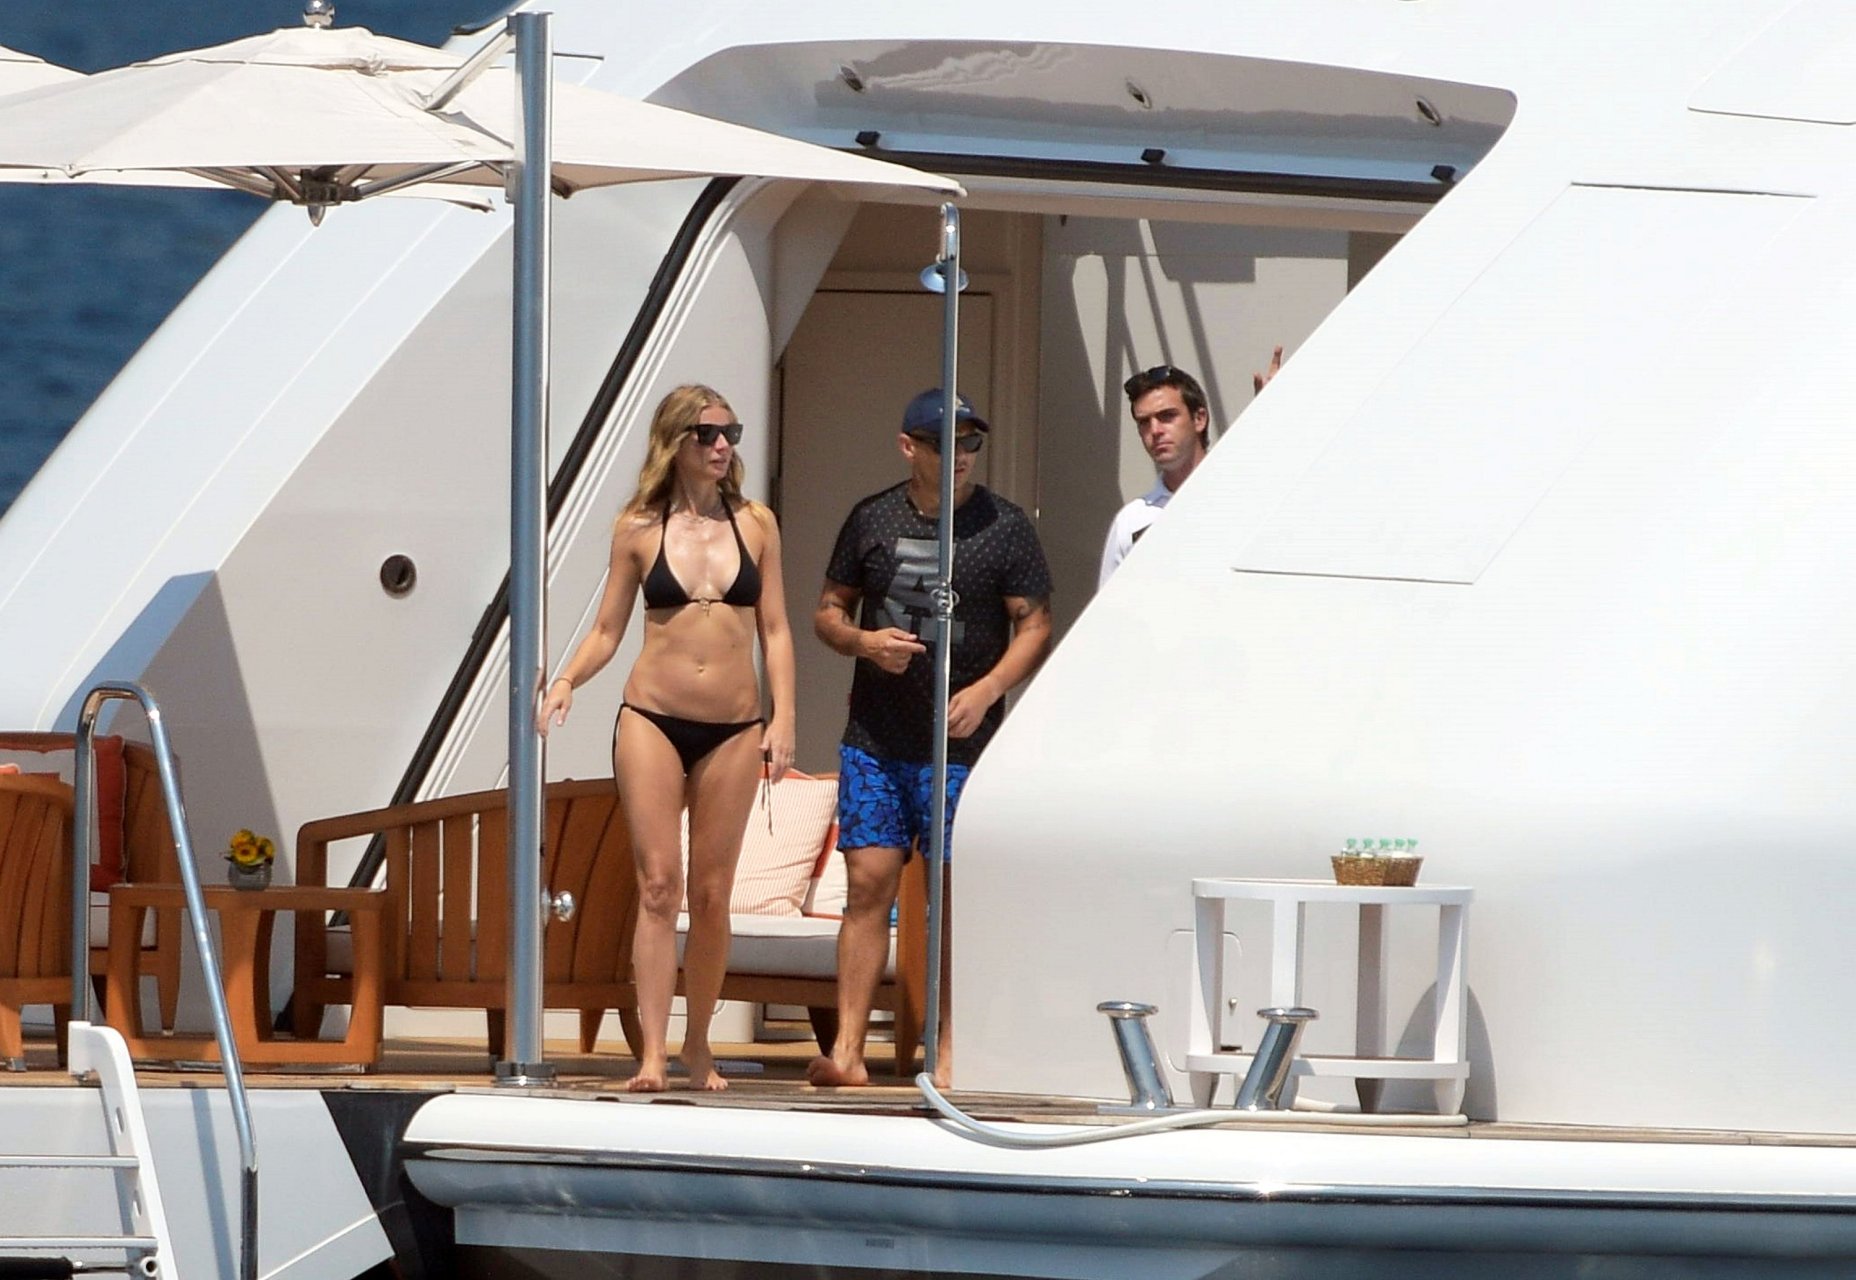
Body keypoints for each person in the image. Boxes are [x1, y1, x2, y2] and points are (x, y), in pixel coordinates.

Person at [538, 384, 797, 1093]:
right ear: (675, 442)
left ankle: (698, 1044)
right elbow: (607, 630)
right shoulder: (638, 529)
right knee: (658, 886)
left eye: (730, 433)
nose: (723, 447)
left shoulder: (757, 525)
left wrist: (784, 719)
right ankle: (651, 1053)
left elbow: (776, 629)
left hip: (734, 726)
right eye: (708, 434)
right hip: (652, 717)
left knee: (711, 893)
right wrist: (567, 680)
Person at [808, 388, 1053, 1089]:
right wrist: (863, 642)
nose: (961, 456)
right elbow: (828, 611)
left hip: (962, 745)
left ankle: (948, 1048)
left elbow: (1035, 623)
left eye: (971, 443)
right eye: (946, 444)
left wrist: (987, 690)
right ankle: (848, 1051)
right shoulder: (873, 518)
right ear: (909, 446)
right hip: (877, 738)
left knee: (950, 894)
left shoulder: (1003, 526)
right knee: (867, 884)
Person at [1097, 348, 1282, 586]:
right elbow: (1112, 606)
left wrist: (1276, 426)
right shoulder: (1131, 521)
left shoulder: (1245, 494)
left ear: (1199, 419)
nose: (1155, 430)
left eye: (1167, 416)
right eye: (1144, 422)